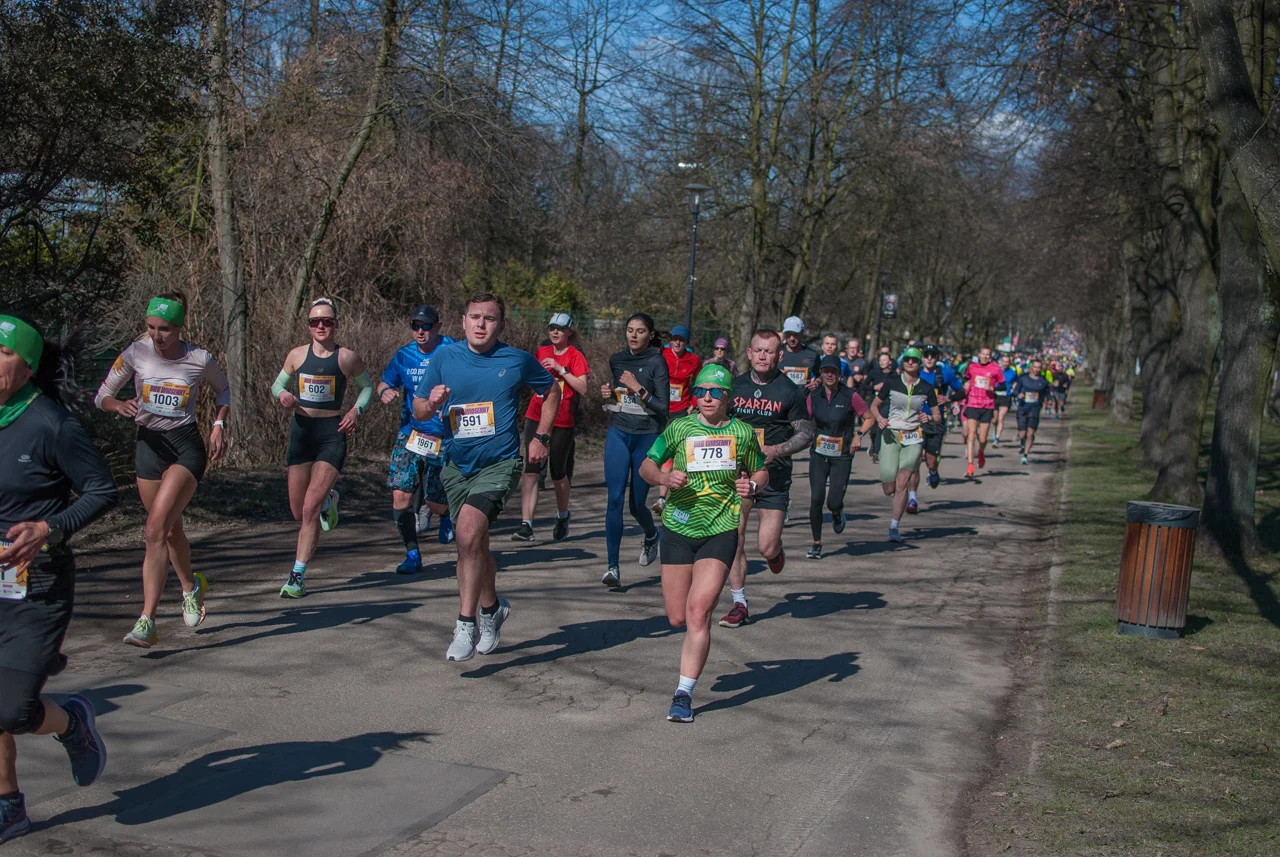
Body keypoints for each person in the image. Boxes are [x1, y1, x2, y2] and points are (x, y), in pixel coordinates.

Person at [0, 313, 118, 842]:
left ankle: (71, 722)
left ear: (26, 368)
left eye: (2, 355)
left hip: (36, 583)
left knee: (12, 708)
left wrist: (48, 528)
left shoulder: (52, 423)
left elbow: (101, 490)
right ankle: (9, 806)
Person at [413, 294, 559, 661]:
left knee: (466, 533)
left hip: (501, 463)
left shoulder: (516, 360)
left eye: (489, 319)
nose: (481, 324)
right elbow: (418, 408)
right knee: (472, 545)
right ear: (462, 322)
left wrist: (541, 436)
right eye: (475, 317)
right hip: (457, 464)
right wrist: (430, 403)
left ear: (501, 325)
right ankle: (492, 608)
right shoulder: (444, 357)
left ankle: (466, 622)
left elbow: (552, 389)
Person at [94, 293, 230, 647]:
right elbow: (102, 395)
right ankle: (191, 587)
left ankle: (146, 620)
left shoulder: (199, 359)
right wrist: (117, 404)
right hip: (148, 448)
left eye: (165, 329)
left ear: (179, 327)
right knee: (169, 532)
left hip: (185, 448)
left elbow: (223, 390)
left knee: (154, 529)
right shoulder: (135, 353)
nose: (156, 335)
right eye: (151, 327)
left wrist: (218, 425)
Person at [639, 364, 767, 722]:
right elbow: (646, 467)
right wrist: (664, 476)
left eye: (714, 392)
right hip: (679, 528)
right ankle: (686, 677)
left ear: (727, 397)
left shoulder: (741, 433)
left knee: (699, 613)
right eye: (701, 391)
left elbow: (760, 468)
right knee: (677, 616)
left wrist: (753, 486)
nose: (707, 397)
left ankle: (683, 694)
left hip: (720, 528)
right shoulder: (679, 427)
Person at [271, 298, 373, 598]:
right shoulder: (297, 355)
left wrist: (356, 411)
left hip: (332, 434)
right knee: (297, 510)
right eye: (315, 321)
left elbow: (367, 387)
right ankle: (330, 498)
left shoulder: (347, 358)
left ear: (335, 324)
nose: (320, 326)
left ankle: (297, 576)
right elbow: (276, 385)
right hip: (301, 433)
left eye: (326, 321)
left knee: (309, 508)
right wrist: (282, 396)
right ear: (308, 325)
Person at [719, 329, 814, 628]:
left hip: (775, 476)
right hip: (740, 474)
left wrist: (777, 450)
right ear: (749, 353)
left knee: (766, 547)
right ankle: (739, 603)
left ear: (779, 355)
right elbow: (719, 421)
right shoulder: (735, 386)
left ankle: (775, 553)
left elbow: (807, 433)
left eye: (769, 351)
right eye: (758, 350)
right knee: (734, 535)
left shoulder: (790, 391)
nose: (762, 356)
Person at [376, 304, 457, 574]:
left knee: (434, 502)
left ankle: (444, 516)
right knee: (400, 495)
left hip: (444, 436)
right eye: (415, 326)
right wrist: (385, 391)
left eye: (426, 326)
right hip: (411, 433)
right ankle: (412, 554)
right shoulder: (404, 355)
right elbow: (385, 382)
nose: (420, 332)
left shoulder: (454, 350)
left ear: (438, 327)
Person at [598, 314, 669, 587]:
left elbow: (663, 407)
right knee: (614, 499)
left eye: (640, 331)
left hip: (646, 436)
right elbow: (618, 395)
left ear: (650, 335)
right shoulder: (617, 359)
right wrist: (609, 394)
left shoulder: (656, 361)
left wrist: (638, 388)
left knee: (636, 504)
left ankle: (651, 535)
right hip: (618, 432)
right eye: (630, 330)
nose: (634, 335)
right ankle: (612, 567)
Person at [513, 313, 589, 542]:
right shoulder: (541, 352)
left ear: (569, 332)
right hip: (536, 415)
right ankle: (526, 525)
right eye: (551, 328)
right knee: (531, 469)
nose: (555, 332)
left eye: (560, 329)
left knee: (558, 473)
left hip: (562, 421)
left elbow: (583, 388)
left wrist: (561, 369)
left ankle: (563, 515)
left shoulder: (575, 356)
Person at [866, 347, 941, 542]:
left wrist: (930, 417)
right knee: (889, 488)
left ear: (919, 363)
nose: (910, 362)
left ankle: (894, 527)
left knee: (903, 482)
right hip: (891, 436)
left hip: (913, 438)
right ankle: (898, 502)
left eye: (914, 360)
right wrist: (880, 418)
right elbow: (874, 405)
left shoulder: (926, 387)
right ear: (902, 362)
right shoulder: (891, 382)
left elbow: (938, 416)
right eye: (907, 359)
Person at [805, 355, 868, 559]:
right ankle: (816, 543)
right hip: (819, 453)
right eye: (825, 371)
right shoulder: (814, 397)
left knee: (833, 501)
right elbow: (804, 420)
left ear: (840, 374)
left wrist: (859, 436)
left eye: (833, 371)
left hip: (842, 455)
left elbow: (869, 418)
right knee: (816, 498)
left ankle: (837, 512)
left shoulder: (850, 396)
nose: (829, 374)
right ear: (821, 374)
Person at [651, 324, 702, 516]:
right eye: (674, 339)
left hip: (680, 410)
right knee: (657, 450)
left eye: (681, 340)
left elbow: (699, 383)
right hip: (660, 407)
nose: (677, 343)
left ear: (686, 342)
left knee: (671, 452)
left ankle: (663, 498)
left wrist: (694, 403)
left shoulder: (693, 360)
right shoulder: (661, 354)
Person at [911, 344, 964, 507]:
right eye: (926, 355)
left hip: (936, 422)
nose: (928, 358)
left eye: (932, 356)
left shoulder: (945, 374)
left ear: (937, 358)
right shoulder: (914, 373)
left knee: (930, 461)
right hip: (915, 421)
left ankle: (933, 471)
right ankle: (912, 499)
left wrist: (948, 399)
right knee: (915, 461)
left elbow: (961, 392)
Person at [961, 346, 1005, 478]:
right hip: (973, 404)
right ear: (979, 354)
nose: (985, 357)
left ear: (990, 357)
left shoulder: (995, 369)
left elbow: (1003, 385)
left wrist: (992, 387)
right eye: (983, 354)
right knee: (971, 434)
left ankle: (981, 452)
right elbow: (966, 378)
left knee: (982, 438)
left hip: (987, 406)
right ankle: (970, 467)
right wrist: (966, 384)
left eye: (988, 355)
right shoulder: (972, 367)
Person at [1011, 359, 1051, 464]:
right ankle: (1022, 441)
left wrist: (1049, 400)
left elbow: (1048, 394)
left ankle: (1025, 455)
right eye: (1035, 367)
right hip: (1023, 408)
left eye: (1039, 367)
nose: (1037, 369)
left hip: (1035, 409)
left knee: (1030, 433)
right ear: (1031, 368)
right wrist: (1018, 395)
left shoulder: (1043, 381)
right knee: (1023, 434)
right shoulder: (1023, 379)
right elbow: (1015, 390)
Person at [779, 316, 820, 390]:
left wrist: (817, 382)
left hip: (803, 399)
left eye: (795, 334)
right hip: (780, 399)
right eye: (788, 334)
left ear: (802, 332)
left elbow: (821, 375)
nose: (792, 338)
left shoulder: (812, 355)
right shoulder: (776, 352)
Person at [992, 352, 1017, 446]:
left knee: (1001, 417)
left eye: (1007, 362)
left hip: (1006, 396)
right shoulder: (996, 371)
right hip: (995, 395)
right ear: (1001, 362)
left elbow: (1015, 382)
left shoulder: (1013, 373)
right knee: (994, 420)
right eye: (1004, 361)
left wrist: (1013, 388)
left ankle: (997, 438)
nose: (1005, 363)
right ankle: (995, 431)